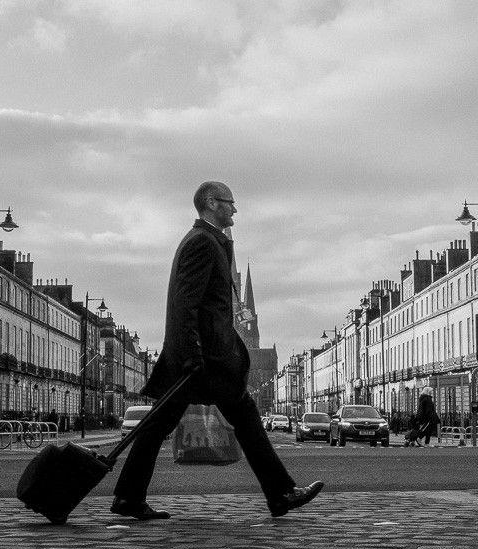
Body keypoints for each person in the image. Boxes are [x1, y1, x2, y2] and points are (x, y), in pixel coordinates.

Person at [110, 182, 323, 521]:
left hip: (200, 356)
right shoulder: (202, 243)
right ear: (211, 203)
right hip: (205, 359)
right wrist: (193, 353)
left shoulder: (207, 241)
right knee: (244, 418)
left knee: (159, 426)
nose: (235, 209)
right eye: (229, 203)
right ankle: (280, 493)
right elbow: (186, 302)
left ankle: (128, 496)